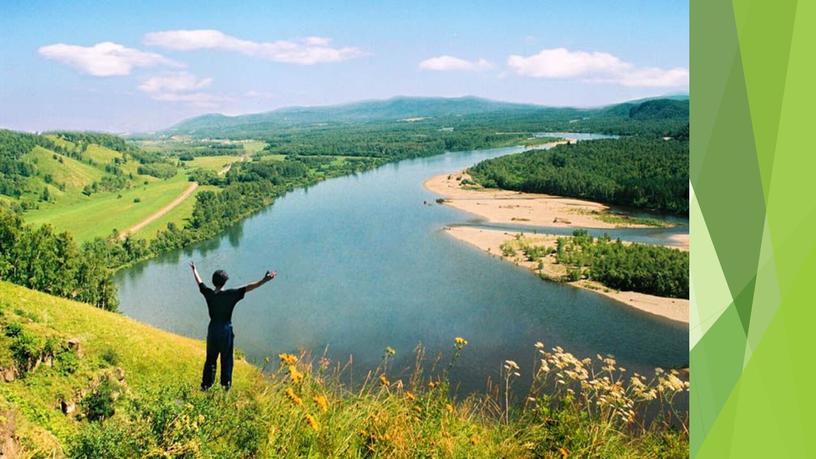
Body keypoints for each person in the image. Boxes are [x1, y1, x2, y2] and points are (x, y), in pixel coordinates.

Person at [190, 261, 276, 390]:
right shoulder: (230, 295)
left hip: (213, 329)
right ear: (225, 282)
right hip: (225, 330)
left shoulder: (209, 294)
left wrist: (194, 270)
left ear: (213, 282)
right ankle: (226, 386)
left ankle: (206, 385)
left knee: (211, 358)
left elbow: (200, 283)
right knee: (227, 359)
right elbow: (248, 287)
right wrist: (264, 280)